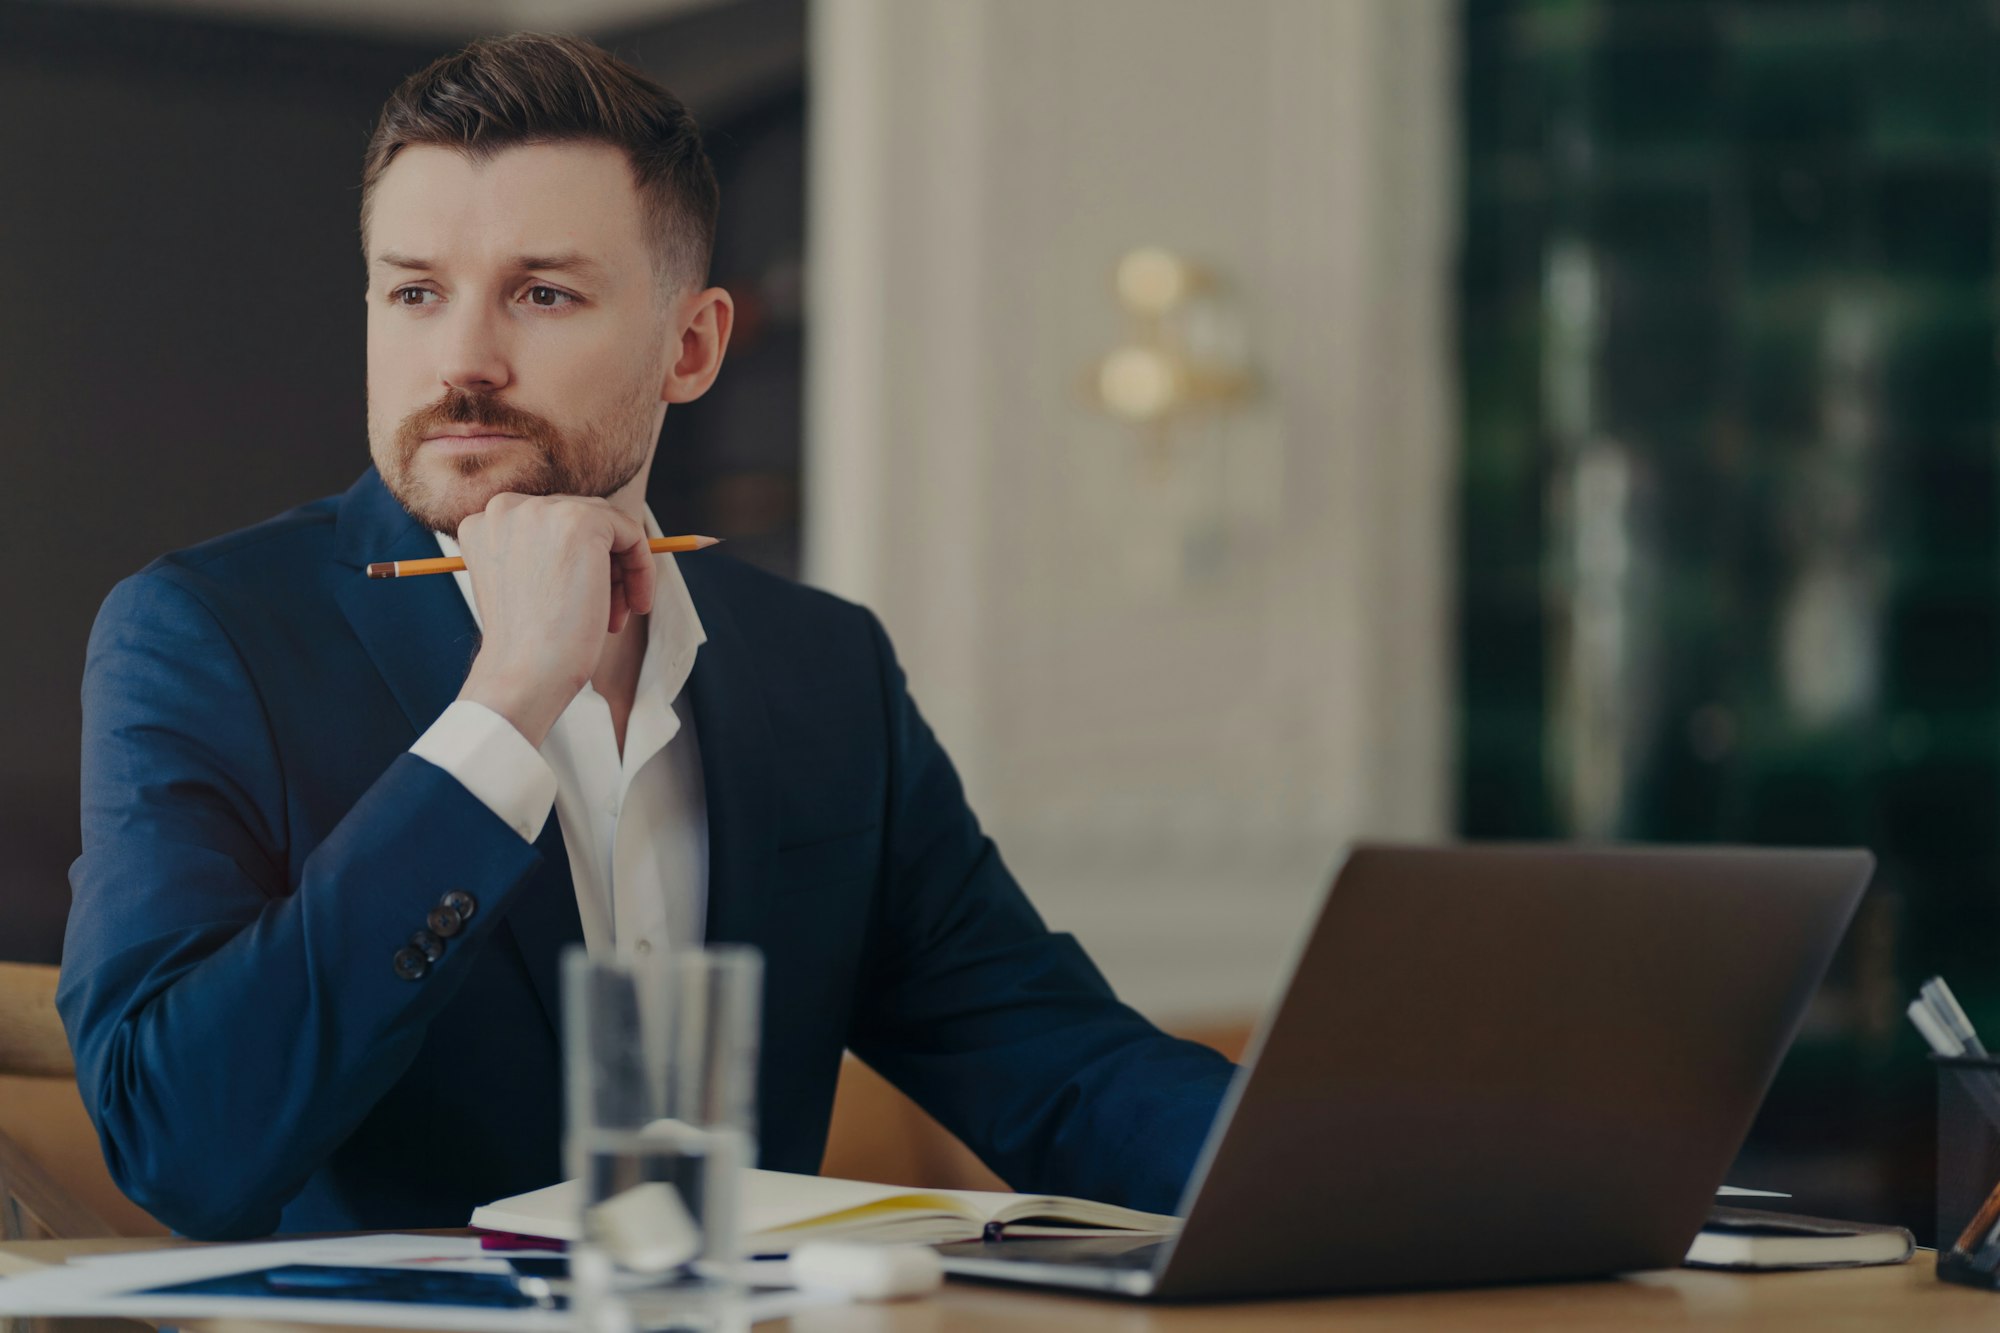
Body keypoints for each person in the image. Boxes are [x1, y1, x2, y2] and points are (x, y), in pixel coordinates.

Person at [59, 32, 1235, 1240]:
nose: (461, 358)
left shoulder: (824, 671)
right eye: (415, 291)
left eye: (542, 292)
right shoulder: (203, 636)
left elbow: (1058, 1068)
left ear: (692, 346)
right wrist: (502, 707)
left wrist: (1389, 1180)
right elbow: (179, 1142)